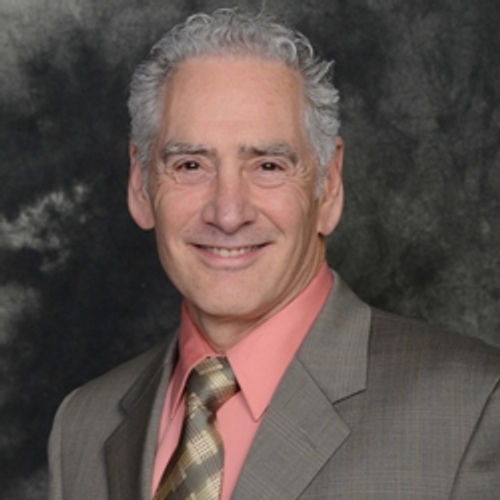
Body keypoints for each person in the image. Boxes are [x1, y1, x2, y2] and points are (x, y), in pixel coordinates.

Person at [48, 8, 500, 500]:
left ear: (328, 187)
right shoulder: (82, 425)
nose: (227, 213)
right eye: (191, 164)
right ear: (140, 184)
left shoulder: (474, 409)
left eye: (268, 165)